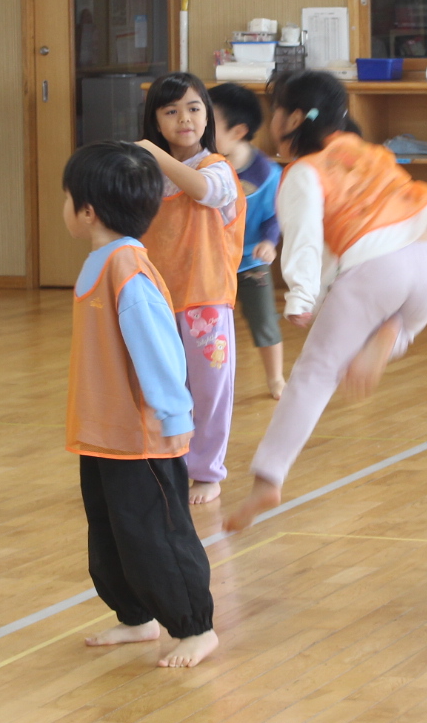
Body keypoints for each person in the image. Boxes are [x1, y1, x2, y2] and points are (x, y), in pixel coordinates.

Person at [224, 70, 427, 533]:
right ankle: (391, 332)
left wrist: (301, 296)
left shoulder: (304, 171)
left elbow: (305, 239)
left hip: (377, 270)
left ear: (293, 119)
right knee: (398, 326)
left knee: (314, 375)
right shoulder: (371, 152)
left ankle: (267, 479)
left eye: (276, 111)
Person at [63, 141, 218, 669]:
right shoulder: (102, 262)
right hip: (104, 433)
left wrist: (174, 415)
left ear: (88, 210)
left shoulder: (127, 268)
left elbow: (157, 348)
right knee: (111, 533)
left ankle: (195, 626)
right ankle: (135, 616)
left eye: (68, 197)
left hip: (142, 438)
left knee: (157, 536)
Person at [135, 73, 245, 506]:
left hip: (205, 300)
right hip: (155, 299)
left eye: (194, 108)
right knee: (160, 385)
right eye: (171, 111)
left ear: (207, 116)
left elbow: (203, 191)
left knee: (209, 390)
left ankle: (206, 470)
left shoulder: (216, 167)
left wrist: (153, 156)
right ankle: (163, 463)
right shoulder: (146, 174)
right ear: (155, 121)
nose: (184, 118)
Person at [208, 83, 284, 399]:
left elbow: (275, 214)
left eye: (209, 123)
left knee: (263, 320)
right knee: (207, 326)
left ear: (238, 131)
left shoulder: (267, 174)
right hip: (211, 263)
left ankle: (276, 378)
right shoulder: (205, 166)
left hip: (251, 261)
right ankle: (207, 381)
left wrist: (269, 240)